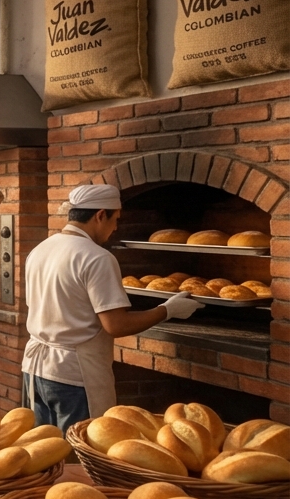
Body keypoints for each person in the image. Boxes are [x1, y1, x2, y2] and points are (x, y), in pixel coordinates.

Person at [24, 184, 201, 431]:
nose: (116, 227)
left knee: (46, 453)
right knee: (81, 457)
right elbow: (116, 325)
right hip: (75, 376)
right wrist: (168, 309)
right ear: (100, 215)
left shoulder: (41, 249)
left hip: (36, 371)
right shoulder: (96, 257)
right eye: (115, 218)